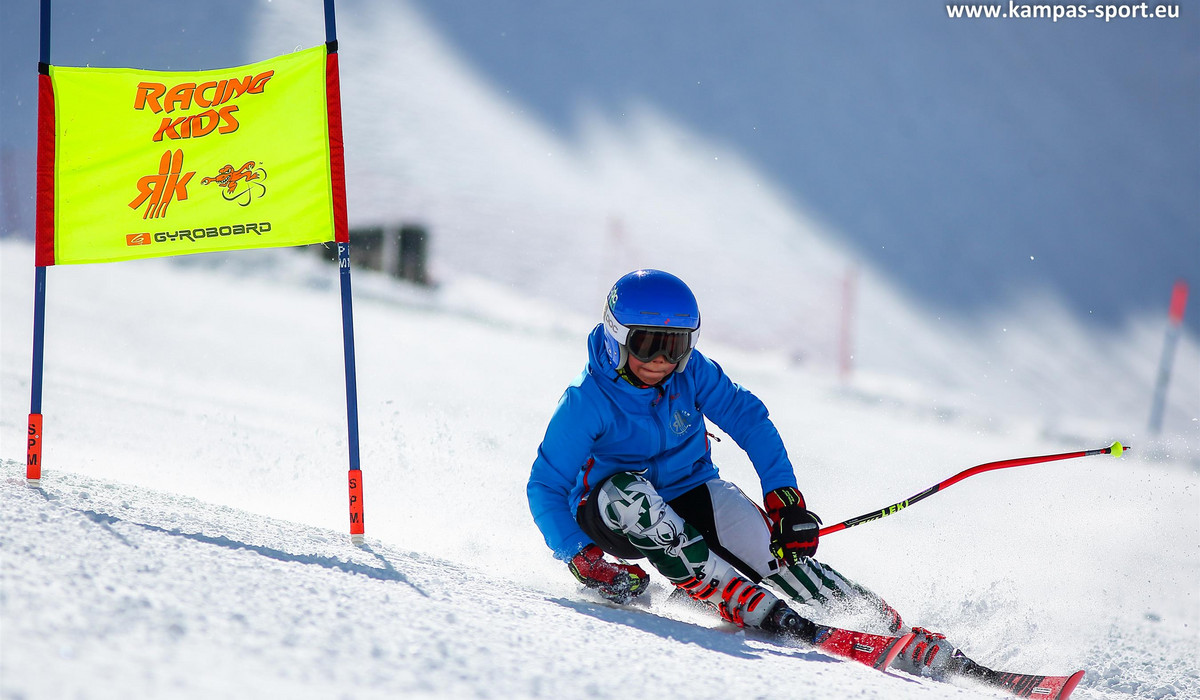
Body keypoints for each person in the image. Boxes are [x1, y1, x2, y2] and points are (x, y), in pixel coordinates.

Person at [527, 269, 976, 680]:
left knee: (780, 557)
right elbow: (545, 486)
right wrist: (578, 553)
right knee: (631, 494)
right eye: (647, 344)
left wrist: (785, 499)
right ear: (616, 337)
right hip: (611, 517)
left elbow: (749, 419)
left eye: (676, 345)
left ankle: (892, 630)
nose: (662, 360)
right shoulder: (586, 402)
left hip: (690, 490)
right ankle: (722, 588)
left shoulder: (692, 375)